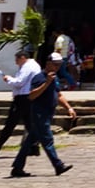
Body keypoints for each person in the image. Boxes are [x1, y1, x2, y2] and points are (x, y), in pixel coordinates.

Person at [7, 48, 72, 178]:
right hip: (39, 114)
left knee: (29, 141)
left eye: (60, 65)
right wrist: (46, 83)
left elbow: (58, 94)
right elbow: (31, 95)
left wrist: (69, 108)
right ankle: (58, 165)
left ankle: (17, 167)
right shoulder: (40, 77)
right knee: (47, 141)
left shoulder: (54, 77)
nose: (58, 67)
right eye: (55, 64)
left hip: (48, 112)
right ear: (48, 63)